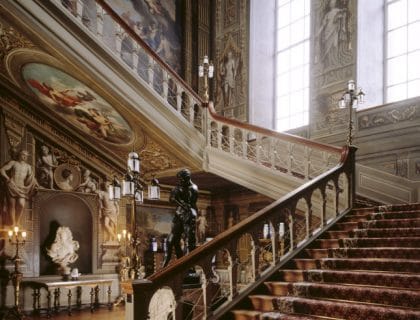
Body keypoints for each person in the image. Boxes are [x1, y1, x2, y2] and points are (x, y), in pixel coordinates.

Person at [162, 169, 198, 268]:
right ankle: (173, 264)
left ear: (187, 178)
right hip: (179, 215)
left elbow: (193, 204)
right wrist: (181, 203)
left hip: (189, 215)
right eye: (179, 180)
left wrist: (193, 214)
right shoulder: (177, 188)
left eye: (181, 179)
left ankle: (191, 267)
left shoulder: (194, 188)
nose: (180, 181)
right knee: (171, 240)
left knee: (190, 241)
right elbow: (171, 199)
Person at [0, 150, 38, 227]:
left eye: (26, 156)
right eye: (23, 155)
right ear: (19, 155)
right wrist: (7, 179)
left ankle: (18, 221)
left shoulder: (28, 167)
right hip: (12, 186)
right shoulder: (13, 163)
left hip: (22, 188)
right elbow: (2, 170)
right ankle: (13, 223)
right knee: (12, 205)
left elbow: (32, 178)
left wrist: (36, 184)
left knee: (21, 204)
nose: (24, 157)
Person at [316, 0, 349, 68]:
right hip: (327, 31)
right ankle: (328, 64)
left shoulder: (338, 11)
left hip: (334, 30)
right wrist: (318, 33)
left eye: (333, 3)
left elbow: (342, 16)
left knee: (334, 45)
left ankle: (335, 61)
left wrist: (340, 16)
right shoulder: (327, 14)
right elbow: (323, 25)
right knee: (327, 47)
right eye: (331, 3)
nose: (331, 4)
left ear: (335, 4)